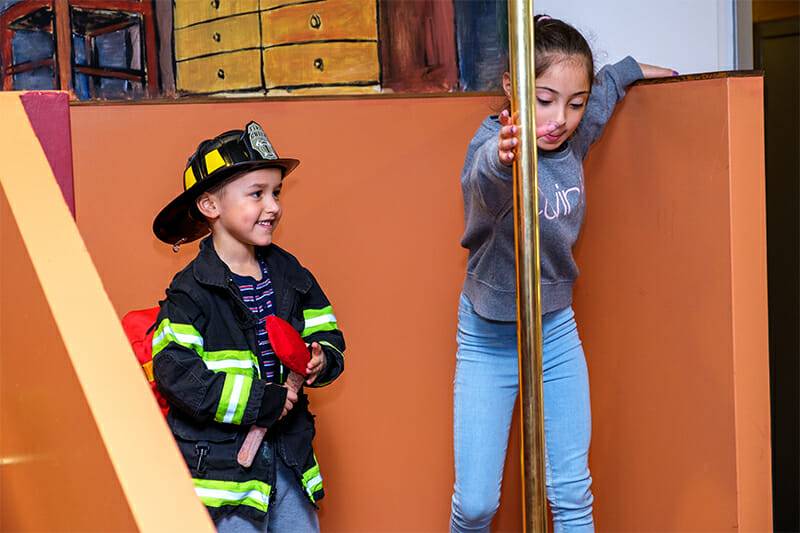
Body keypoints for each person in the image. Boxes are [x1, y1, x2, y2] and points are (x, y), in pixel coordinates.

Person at [450, 15, 676, 533]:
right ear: (513, 87)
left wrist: (638, 69)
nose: (559, 118)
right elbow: (481, 185)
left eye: (573, 103)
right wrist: (503, 156)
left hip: (554, 330)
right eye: (544, 99)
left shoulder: (572, 134)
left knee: (572, 493)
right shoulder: (492, 148)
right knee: (477, 504)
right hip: (488, 337)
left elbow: (608, 87)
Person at [151, 121, 345, 532]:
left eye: (276, 193)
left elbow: (326, 330)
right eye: (257, 194)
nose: (272, 206)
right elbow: (176, 373)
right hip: (224, 477)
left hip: (289, 462)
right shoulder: (190, 291)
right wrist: (258, 401)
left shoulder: (290, 273)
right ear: (210, 206)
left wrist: (320, 358)